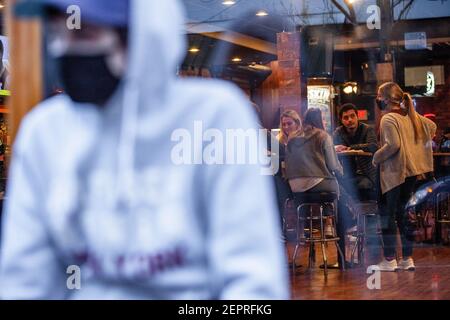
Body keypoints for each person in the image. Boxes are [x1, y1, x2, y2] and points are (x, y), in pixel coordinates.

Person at [0, 0, 288, 299]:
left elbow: (253, 283)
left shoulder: (215, 117)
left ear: (140, 35)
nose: (65, 50)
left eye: (84, 34)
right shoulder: (45, 132)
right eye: (58, 34)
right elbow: (24, 281)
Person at [372, 82, 436, 272]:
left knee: (387, 215)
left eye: (378, 95)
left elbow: (393, 145)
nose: (377, 99)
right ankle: (407, 258)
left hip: (393, 173)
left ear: (384, 98)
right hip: (410, 173)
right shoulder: (410, 117)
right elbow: (432, 127)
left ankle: (390, 259)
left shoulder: (388, 118)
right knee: (404, 216)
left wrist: (376, 158)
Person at [333, 103, 378, 200]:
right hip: (347, 174)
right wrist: (336, 148)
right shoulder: (338, 132)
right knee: (338, 189)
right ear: (341, 120)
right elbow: (333, 150)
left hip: (367, 173)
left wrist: (351, 147)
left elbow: (373, 146)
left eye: (352, 116)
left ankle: (364, 213)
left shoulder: (367, 129)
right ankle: (352, 213)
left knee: (362, 186)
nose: (349, 120)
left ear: (357, 117)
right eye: (346, 117)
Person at [273, 109, 301, 237]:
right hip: (287, 178)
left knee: (277, 187)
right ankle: (278, 228)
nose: (286, 127)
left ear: (297, 123)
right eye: (283, 124)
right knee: (274, 184)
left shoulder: (302, 138)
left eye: (289, 123)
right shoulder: (280, 139)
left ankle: (279, 229)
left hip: (301, 179)